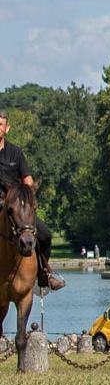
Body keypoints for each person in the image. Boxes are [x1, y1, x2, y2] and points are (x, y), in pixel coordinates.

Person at [0, 110, 63, 291]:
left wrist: (28, 196)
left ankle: (44, 274)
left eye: (1, 125)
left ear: (7, 128)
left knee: (45, 235)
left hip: (16, 207)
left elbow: (27, 179)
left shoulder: (16, 152)